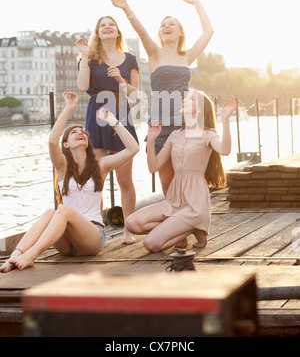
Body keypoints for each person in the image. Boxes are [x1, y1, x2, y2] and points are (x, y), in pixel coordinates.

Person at [0, 92, 139, 273]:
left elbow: (133, 148)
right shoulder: (62, 167)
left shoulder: (100, 165)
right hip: (66, 242)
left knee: (62, 210)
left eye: (82, 132)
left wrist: (112, 120)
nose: (80, 133)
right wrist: (69, 107)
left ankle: (31, 254)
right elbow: (51, 141)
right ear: (66, 144)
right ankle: (14, 256)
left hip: (92, 237)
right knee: (51, 211)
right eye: (74, 132)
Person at [110, 0, 214, 197]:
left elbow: (208, 32)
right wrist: (126, 8)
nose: (166, 27)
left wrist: (197, 4)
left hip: (186, 124)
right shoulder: (154, 53)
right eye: (163, 25)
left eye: (171, 24)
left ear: (180, 32)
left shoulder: (187, 56)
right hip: (160, 125)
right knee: (167, 182)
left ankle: (190, 217)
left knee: (188, 178)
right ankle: (175, 221)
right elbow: (140, 31)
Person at [125, 91, 236, 252]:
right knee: (131, 223)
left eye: (190, 98)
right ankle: (182, 231)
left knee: (151, 244)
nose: (184, 100)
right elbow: (153, 167)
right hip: (173, 200)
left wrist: (225, 120)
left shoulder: (207, 135)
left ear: (199, 110)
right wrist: (150, 140)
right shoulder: (174, 135)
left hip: (194, 204)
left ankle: (191, 226)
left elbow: (225, 150)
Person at [76, 15, 139, 244]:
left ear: (117, 31)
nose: (107, 27)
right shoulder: (89, 58)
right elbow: (83, 86)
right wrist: (84, 57)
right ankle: (96, 230)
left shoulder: (130, 59)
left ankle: (128, 230)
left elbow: (135, 94)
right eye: (102, 25)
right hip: (96, 115)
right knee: (96, 179)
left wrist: (121, 80)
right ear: (98, 32)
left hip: (121, 114)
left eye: (111, 24)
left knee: (125, 180)